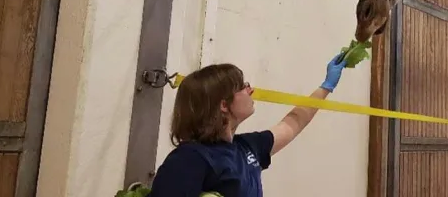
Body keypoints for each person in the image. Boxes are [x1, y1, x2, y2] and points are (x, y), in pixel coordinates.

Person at [146, 51, 348, 197]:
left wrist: (326, 86)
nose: (250, 90)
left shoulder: (247, 148)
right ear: (224, 105)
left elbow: (293, 122)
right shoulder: (189, 159)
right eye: (243, 86)